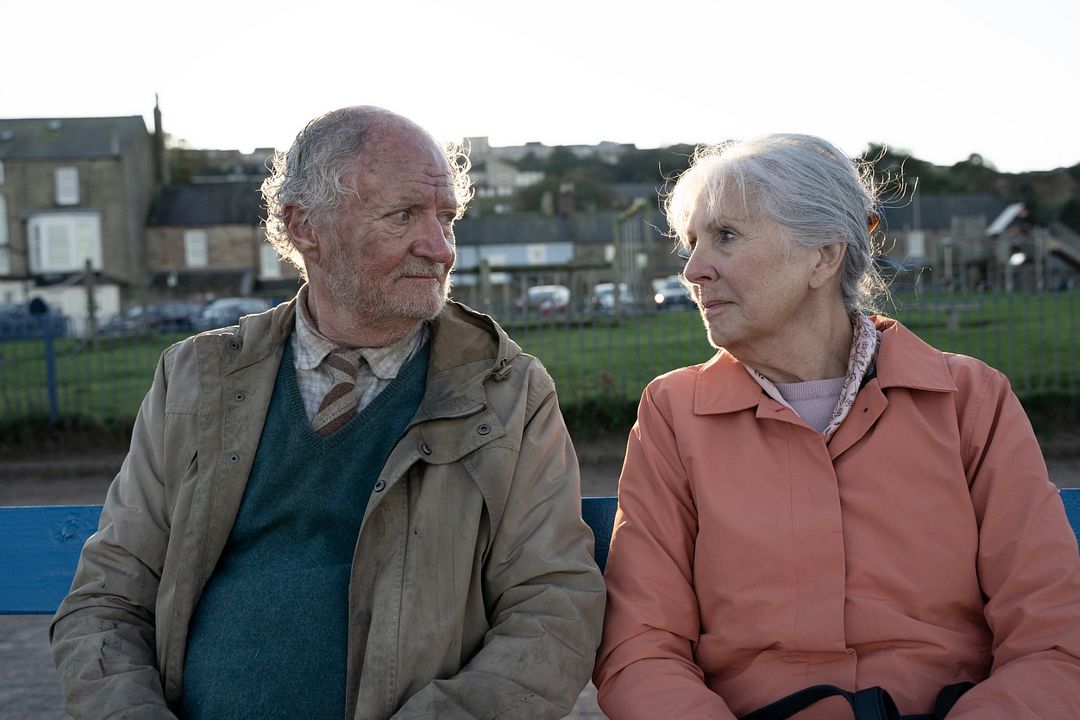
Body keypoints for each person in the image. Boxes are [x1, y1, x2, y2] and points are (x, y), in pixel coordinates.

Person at [51, 106, 605, 719]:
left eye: (446, 217)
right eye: (403, 216)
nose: (440, 247)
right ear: (304, 226)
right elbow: (107, 601)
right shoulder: (193, 381)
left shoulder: (509, 394)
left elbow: (554, 607)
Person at [593, 134, 1080, 719]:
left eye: (725, 235)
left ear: (825, 255)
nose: (694, 270)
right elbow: (641, 649)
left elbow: (1053, 637)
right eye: (692, 242)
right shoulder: (673, 413)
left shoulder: (968, 401)